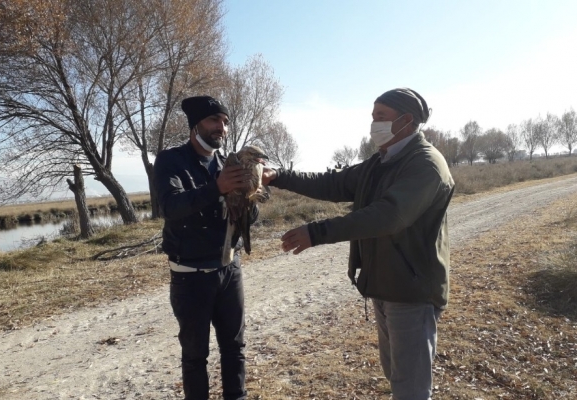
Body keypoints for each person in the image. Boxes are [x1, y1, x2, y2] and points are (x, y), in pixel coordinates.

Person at [262, 88, 454, 400]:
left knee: (411, 389)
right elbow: (331, 183)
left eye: (381, 116)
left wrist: (317, 232)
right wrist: (279, 176)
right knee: (397, 376)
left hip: (412, 290)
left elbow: (388, 216)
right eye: (373, 116)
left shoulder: (426, 164)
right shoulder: (380, 162)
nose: (373, 124)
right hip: (384, 284)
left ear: (406, 120)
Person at [154, 95, 256, 400]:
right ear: (195, 125)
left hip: (229, 270)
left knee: (235, 347)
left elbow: (248, 218)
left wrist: (251, 194)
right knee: (195, 356)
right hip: (190, 275)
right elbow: (170, 207)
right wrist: (217, 188)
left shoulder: (228, 164)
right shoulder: (170, 160)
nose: (221, 127)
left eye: (225, 121)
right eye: (214, 120)